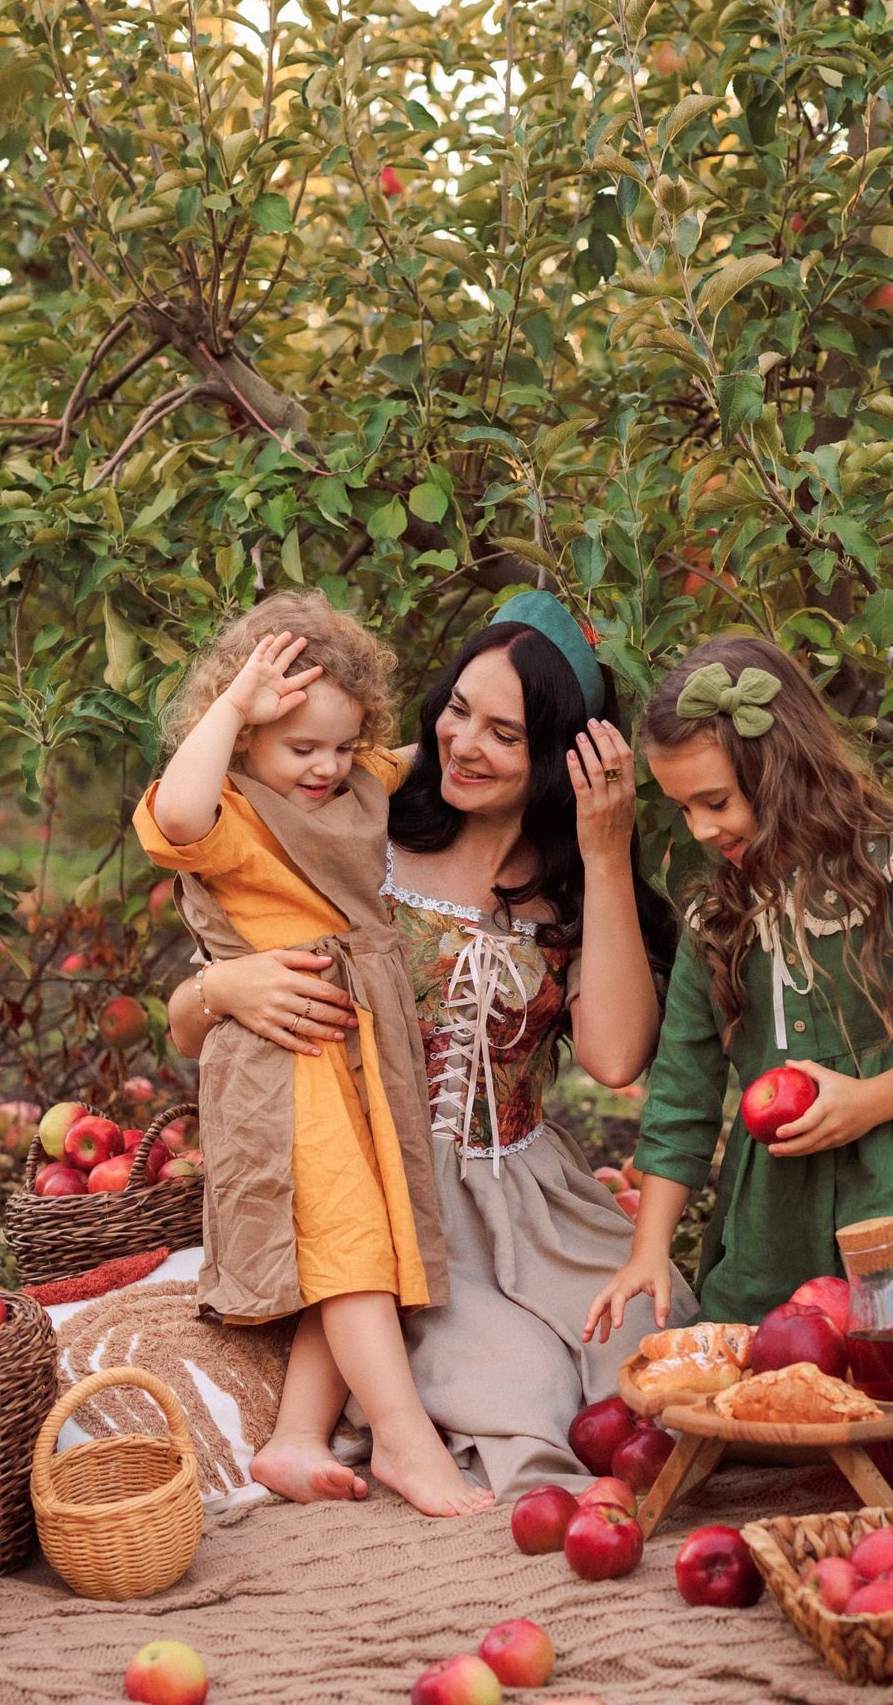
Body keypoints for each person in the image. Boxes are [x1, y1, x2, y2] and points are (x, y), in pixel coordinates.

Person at [168, 591, 690, 1500]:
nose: (464, 745)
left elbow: (613, 1060)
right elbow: (188, 1017)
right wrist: (221, 987)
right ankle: (400, 1426)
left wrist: (606, 854)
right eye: (456, 711)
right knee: (526, 1399)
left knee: (656, 1361)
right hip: (392, 1190)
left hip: (530, 1194)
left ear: (561, 758)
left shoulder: (570, 885)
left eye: (504, 734)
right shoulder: (357, 824)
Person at [584, 633, 893, 1375]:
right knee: (784, 1364)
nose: (700, 829)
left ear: (779, 766)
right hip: (784, 1214)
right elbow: (682, 1102)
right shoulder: (718, 924)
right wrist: (649, 1248)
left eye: (715, 801)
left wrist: (871, 1100)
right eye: (682, 808)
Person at [135, 590, 488, 1516]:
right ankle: (406, 1440)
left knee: (352, 1235)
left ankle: (295, 1439)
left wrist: (520, 709)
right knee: (349, 1242)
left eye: (342, 743)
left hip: (358, 1048)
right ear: (246, 738)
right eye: (301, 747)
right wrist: (233, 704)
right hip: (283, 1055)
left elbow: (437, 758)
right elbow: (173, 809)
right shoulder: (230, 813)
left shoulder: (350, 776)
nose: (327, 767)